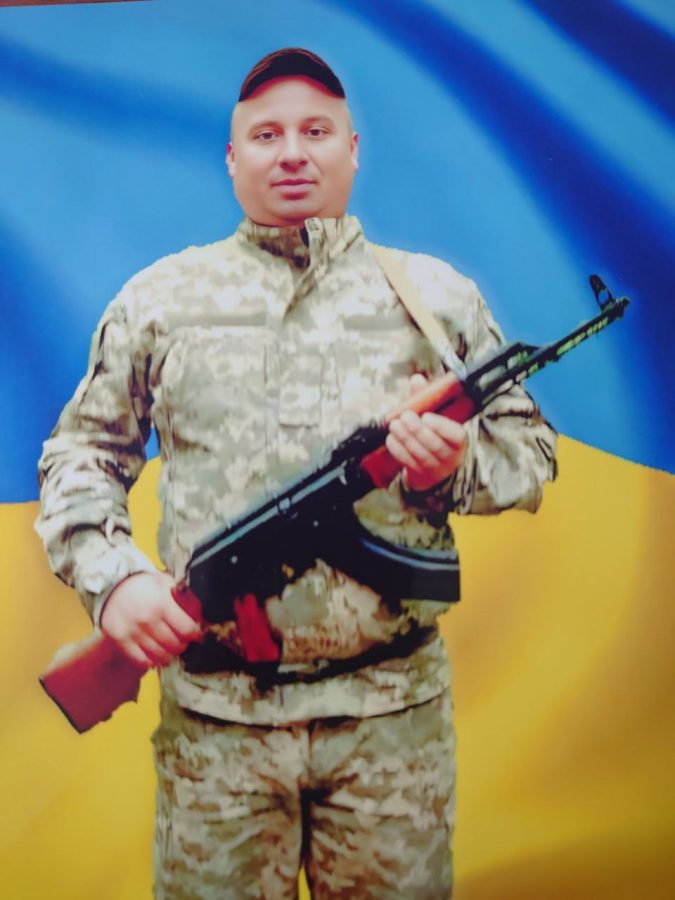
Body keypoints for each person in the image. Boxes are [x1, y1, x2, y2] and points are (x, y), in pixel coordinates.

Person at [36, 48, 557, 899]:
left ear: (352, 149)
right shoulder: (159, 300)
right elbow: (80, 456)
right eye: (266, 134)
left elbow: (530, 455)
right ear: (230, 157)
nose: (291, 153)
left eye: (315, 132)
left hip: (392, 727)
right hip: (217, 735)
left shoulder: (434, 299)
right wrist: (115, 581)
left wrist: (454, 467)